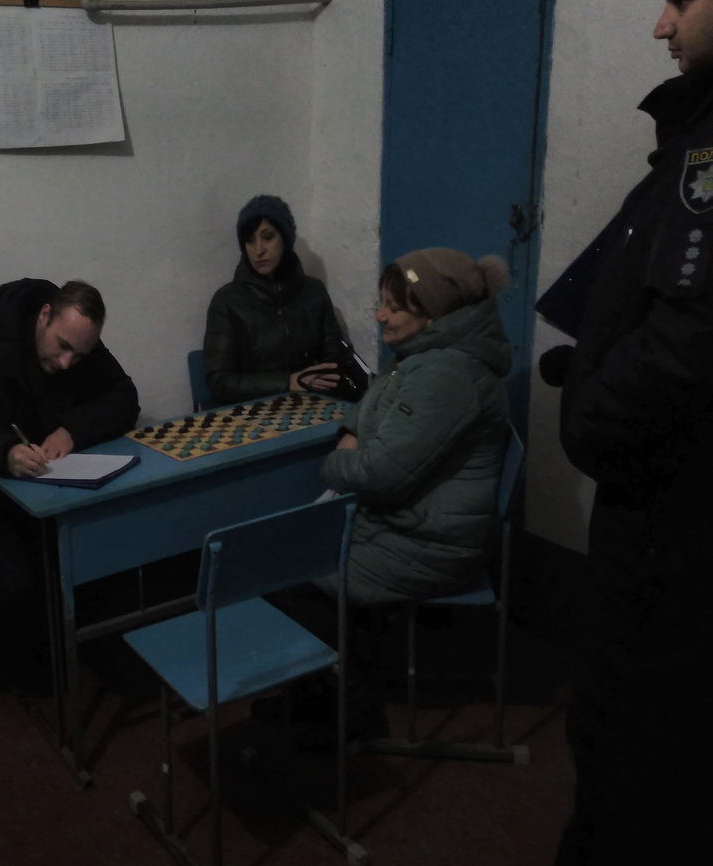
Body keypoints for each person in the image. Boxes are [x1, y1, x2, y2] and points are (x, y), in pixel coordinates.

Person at [540, 3, 713, 862]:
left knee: (634, 738)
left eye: (681, 0)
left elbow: (689, 338)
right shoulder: (694, 134)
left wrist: (590, 413)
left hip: (667, 517)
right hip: (664, 504)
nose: (659, 25)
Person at [257, 248, 511, 738]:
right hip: (404, 521)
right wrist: (353, 430)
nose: (379, 316)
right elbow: (374, 400)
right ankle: (325, 687)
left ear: (432, 313)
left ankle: (348, 707)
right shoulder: (422, 355)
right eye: (381, 303)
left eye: (393, 307)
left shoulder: (447, 373)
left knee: (286, 572)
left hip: (427, 541)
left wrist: (335, 463)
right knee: (289, 553)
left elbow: (380, 474)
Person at [0, 278, 139, 709]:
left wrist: (72, 430)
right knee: (9, 578)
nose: (68, 362)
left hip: (46, 499)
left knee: (94, 555)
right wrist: (3, 453)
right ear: (43, 316)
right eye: (62, 346)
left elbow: (124, 397)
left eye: (79, 354)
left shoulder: (79, 346)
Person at [203, 194, 362, 405]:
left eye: (268, 237)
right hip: (250, 412)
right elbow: (220, 381)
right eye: (250, 240)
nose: (259, 250)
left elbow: (334, 359)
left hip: (311, 403)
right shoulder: (227, 302)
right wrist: (288, 382)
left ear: (285, 239)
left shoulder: (313, 292)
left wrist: (316, 379)